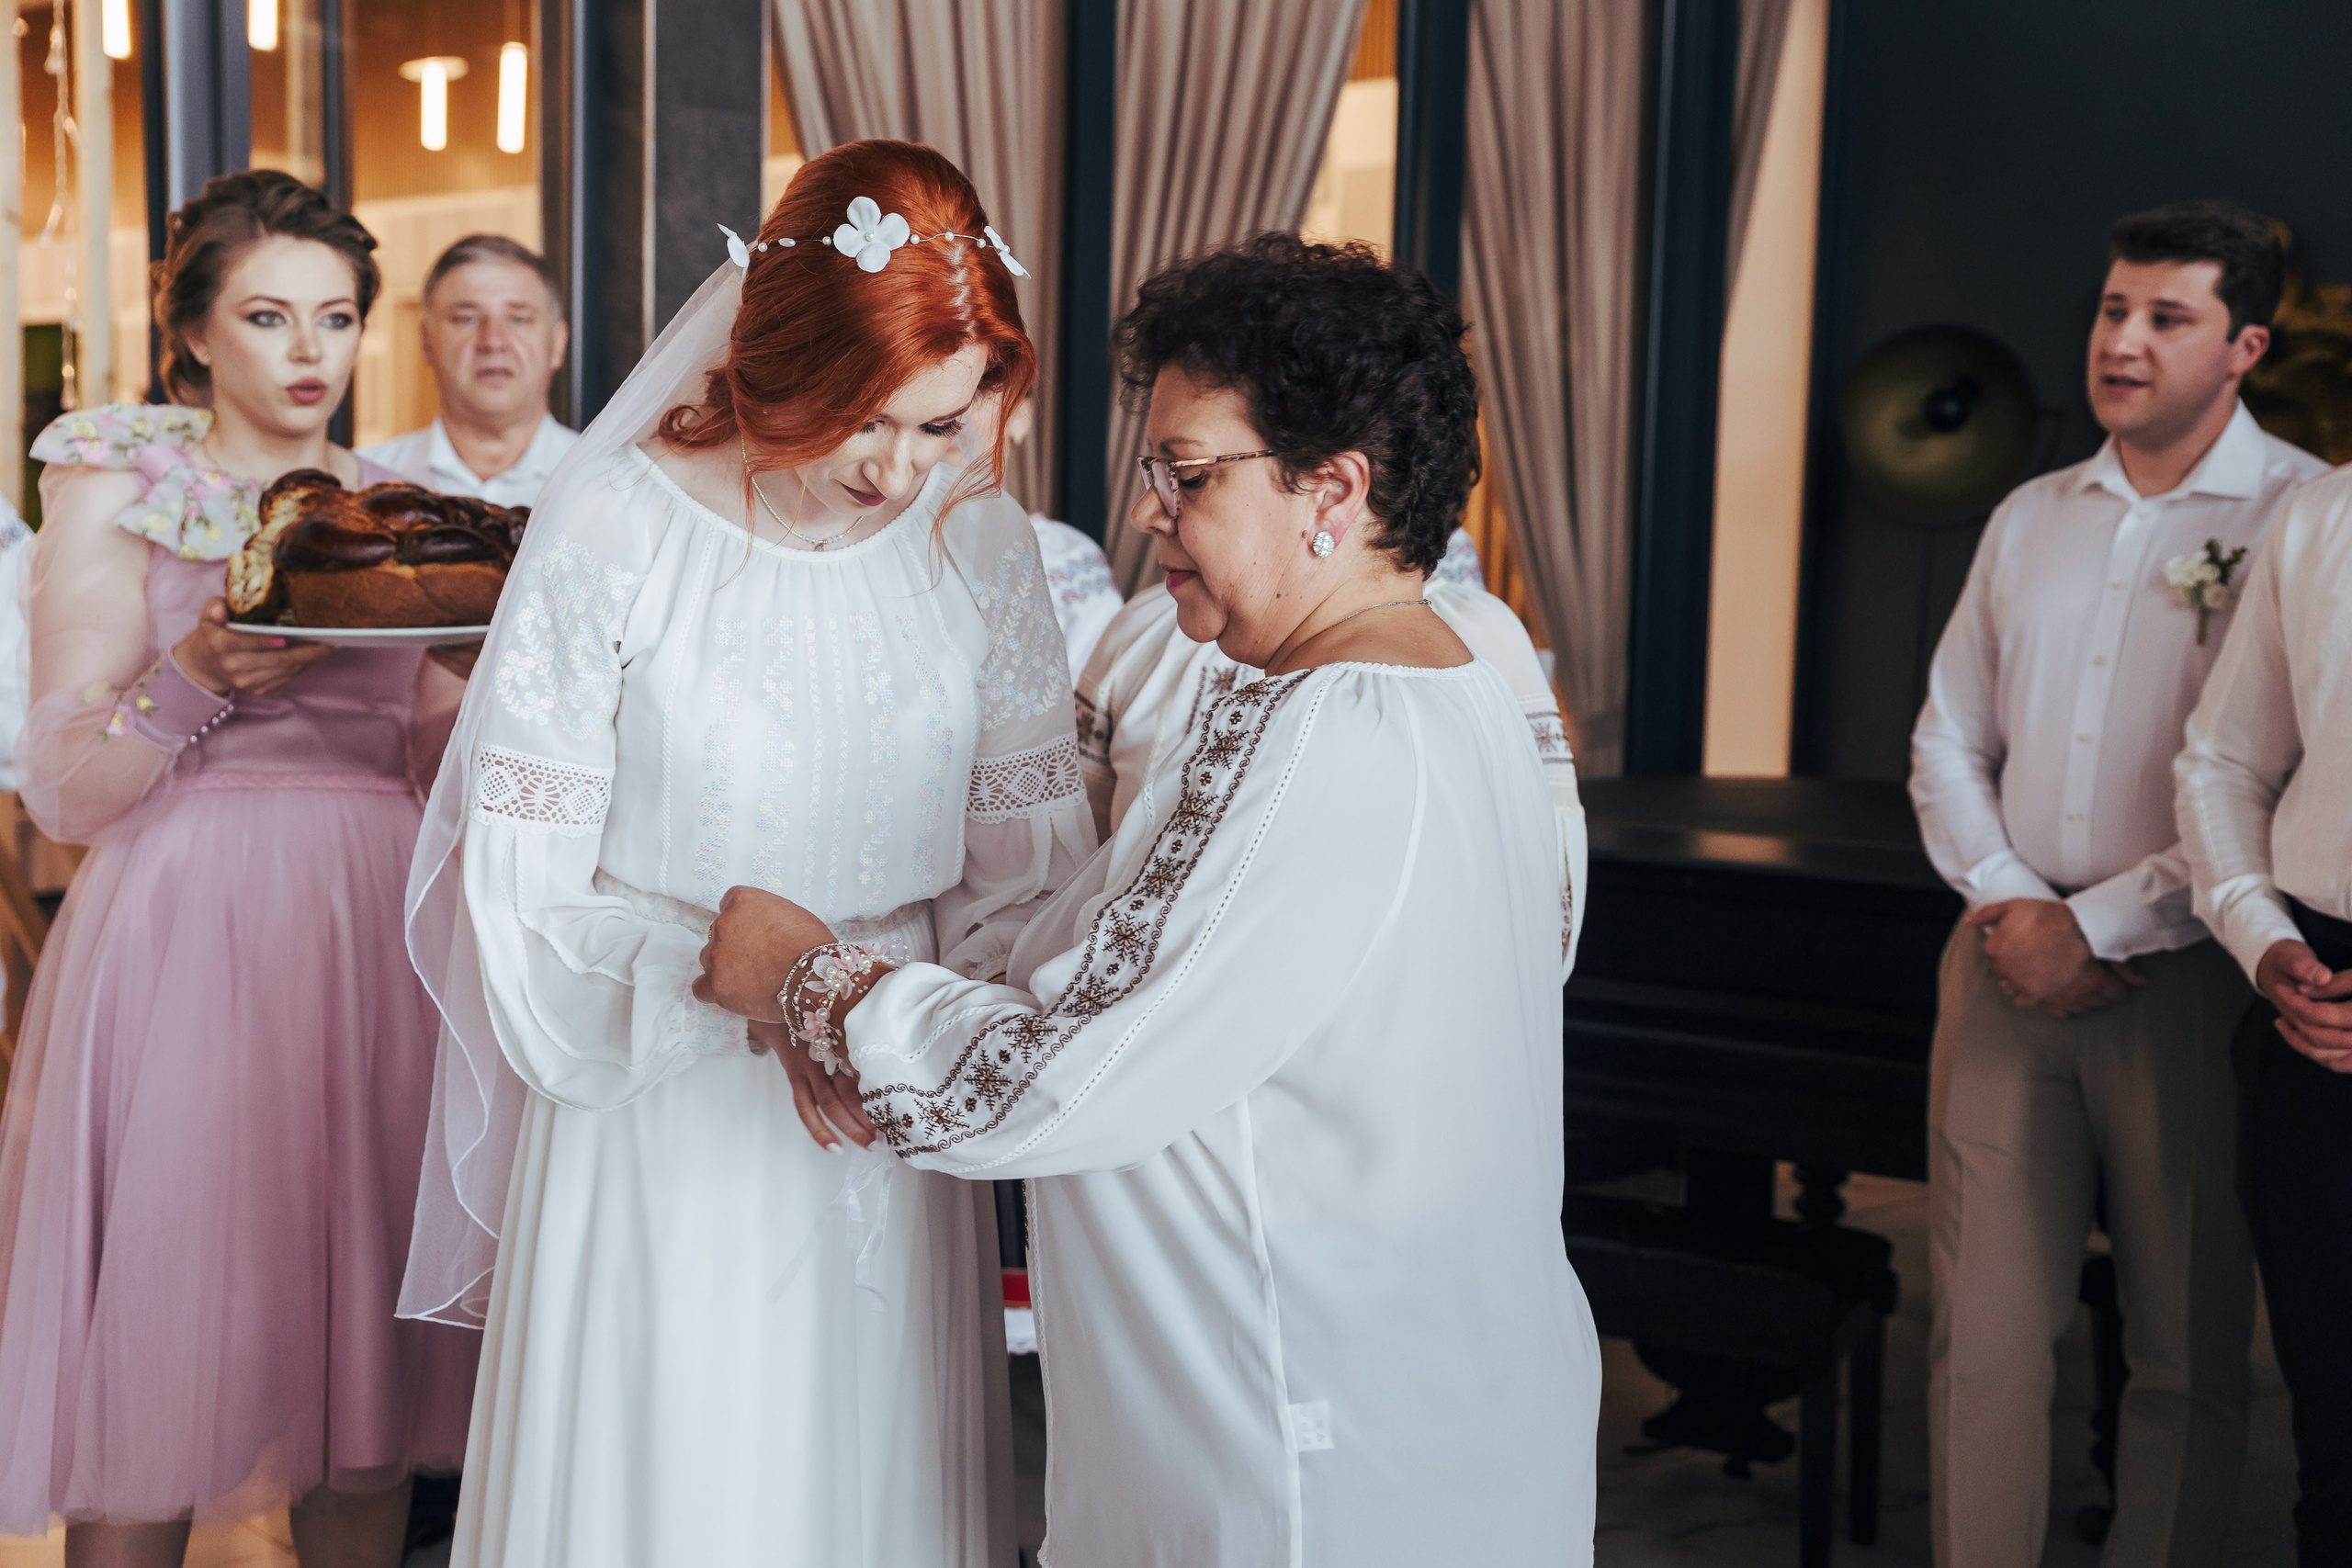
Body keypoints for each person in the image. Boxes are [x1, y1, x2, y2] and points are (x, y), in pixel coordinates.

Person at [697, 234, 1601, 1566]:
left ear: (1331, 490)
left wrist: (808, 974)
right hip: (1447, 1392)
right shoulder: (1481, 654)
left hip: (1300, 1437)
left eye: (1188, 472)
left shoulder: (1331, 727)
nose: (1148, 514)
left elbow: (1059, 1075)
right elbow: (1148, 954)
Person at [400, 140, 1082, 1568]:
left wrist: (889, 1016)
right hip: (654, 1106)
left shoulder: (983, 543)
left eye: (943, 425)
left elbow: (1025, 876)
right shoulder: (618, 525)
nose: (900, 469)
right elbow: (522, 890)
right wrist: (764, 986)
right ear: (780, 361)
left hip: (888, 1122)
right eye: (867, 421)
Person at [0, 170, 477, 1564]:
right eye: (269, 315)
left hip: (380, 933)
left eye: (335, 317)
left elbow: (446, 780)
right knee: (159, 1334)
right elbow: (67, 788)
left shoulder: (411, 509)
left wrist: (478, 680)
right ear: (196, 332)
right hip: (185, 921)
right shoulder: (115, 485)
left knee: (365, 1387)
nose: (310, 351)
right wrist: (193, 673)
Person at [1908, 199, 2326, 1568]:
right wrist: (2013, 902)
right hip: (2000, 959)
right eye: (2110, 310)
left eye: (2166, 317)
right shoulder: (2032, 515)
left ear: (2244, 345)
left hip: (2194, 974)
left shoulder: (2302, 521)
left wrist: (2093, 923)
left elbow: (2258, 778)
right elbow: (1947, 737)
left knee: (2187, 1341)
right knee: (1980, 1337)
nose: (2123, 343)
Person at [1073, 536, 1583, 970]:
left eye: (1192, 475)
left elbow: (1541, 920)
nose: (1149, 511)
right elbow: (1074, 864)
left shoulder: (1463, 649)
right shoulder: (1145, 628)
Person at [2175, 463, 2352, 1564]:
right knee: (2332, 1436)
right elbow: (2224, 757)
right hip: (2312, 999)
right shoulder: (2323, 512)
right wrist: (2255, 927)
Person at [357, 233, 576, 507]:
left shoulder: (608, 481)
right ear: (426, 341)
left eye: (519, 319)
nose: (493, 341)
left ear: (557, 344)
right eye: (466, 318)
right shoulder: (362, 481)